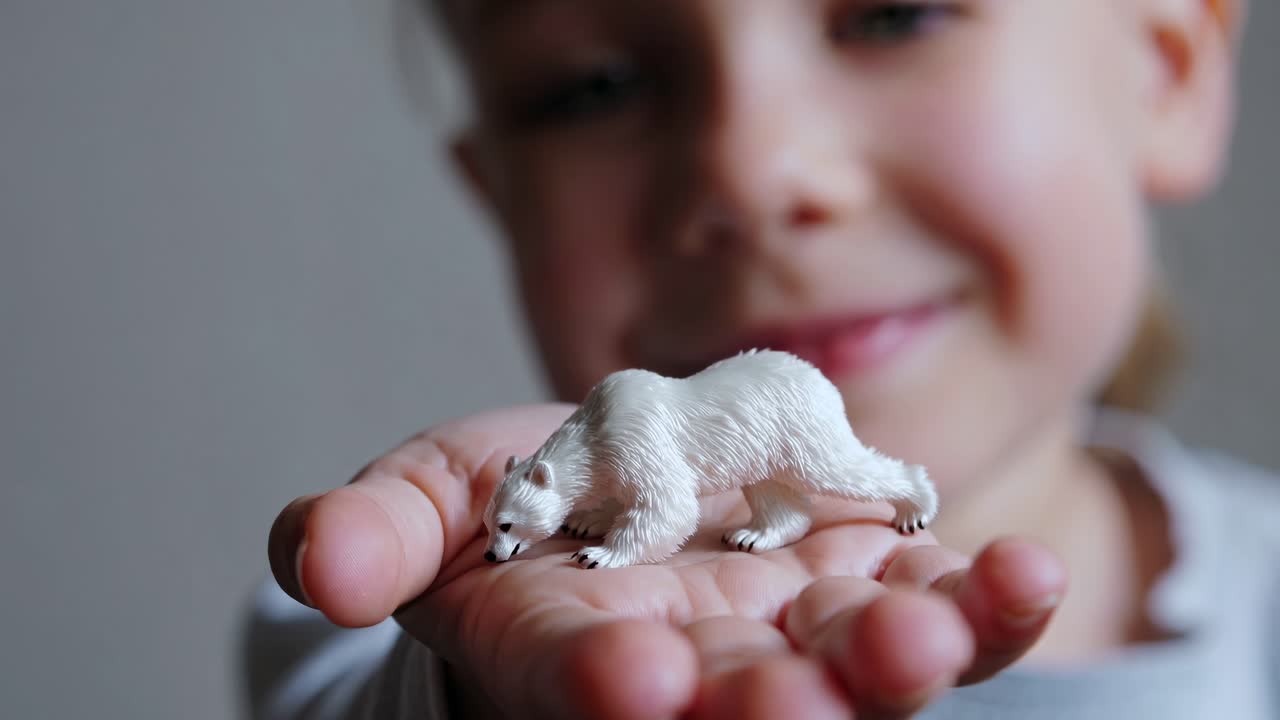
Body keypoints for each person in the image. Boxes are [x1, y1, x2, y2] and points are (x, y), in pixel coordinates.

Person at [243, 0, 1279, 718]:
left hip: (770, 414)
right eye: (596, 86)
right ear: (494, 197)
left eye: (891, 14)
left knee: (828, 473)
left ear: (1166, 71)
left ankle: (894, 490)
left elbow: (658, 503)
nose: (747, 170)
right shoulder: (388, 612)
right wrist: (485, 691)